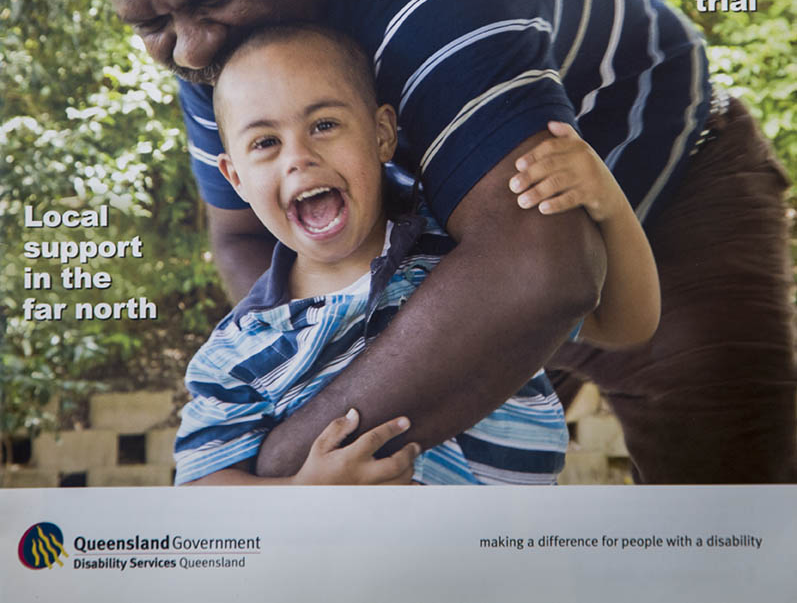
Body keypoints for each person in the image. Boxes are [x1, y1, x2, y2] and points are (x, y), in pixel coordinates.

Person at [56, 0, 795, 484]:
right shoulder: (211, 34)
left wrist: (278, 470)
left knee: (730, 513)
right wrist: (306, 398)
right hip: (457, 262)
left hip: (657, 196)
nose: (187, 51)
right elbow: (245, 236)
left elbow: (541, 272)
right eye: (149, 25)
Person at [174, 25, 660, 486]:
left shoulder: (466, 259)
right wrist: (304, 491)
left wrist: (608, 200)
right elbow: (199, 485)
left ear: (382, 134)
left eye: (324, 125)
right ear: (234, 177)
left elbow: (626, 324)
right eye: (265, 143)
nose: (298, 156)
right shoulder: (239, 352)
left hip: (517, 553)